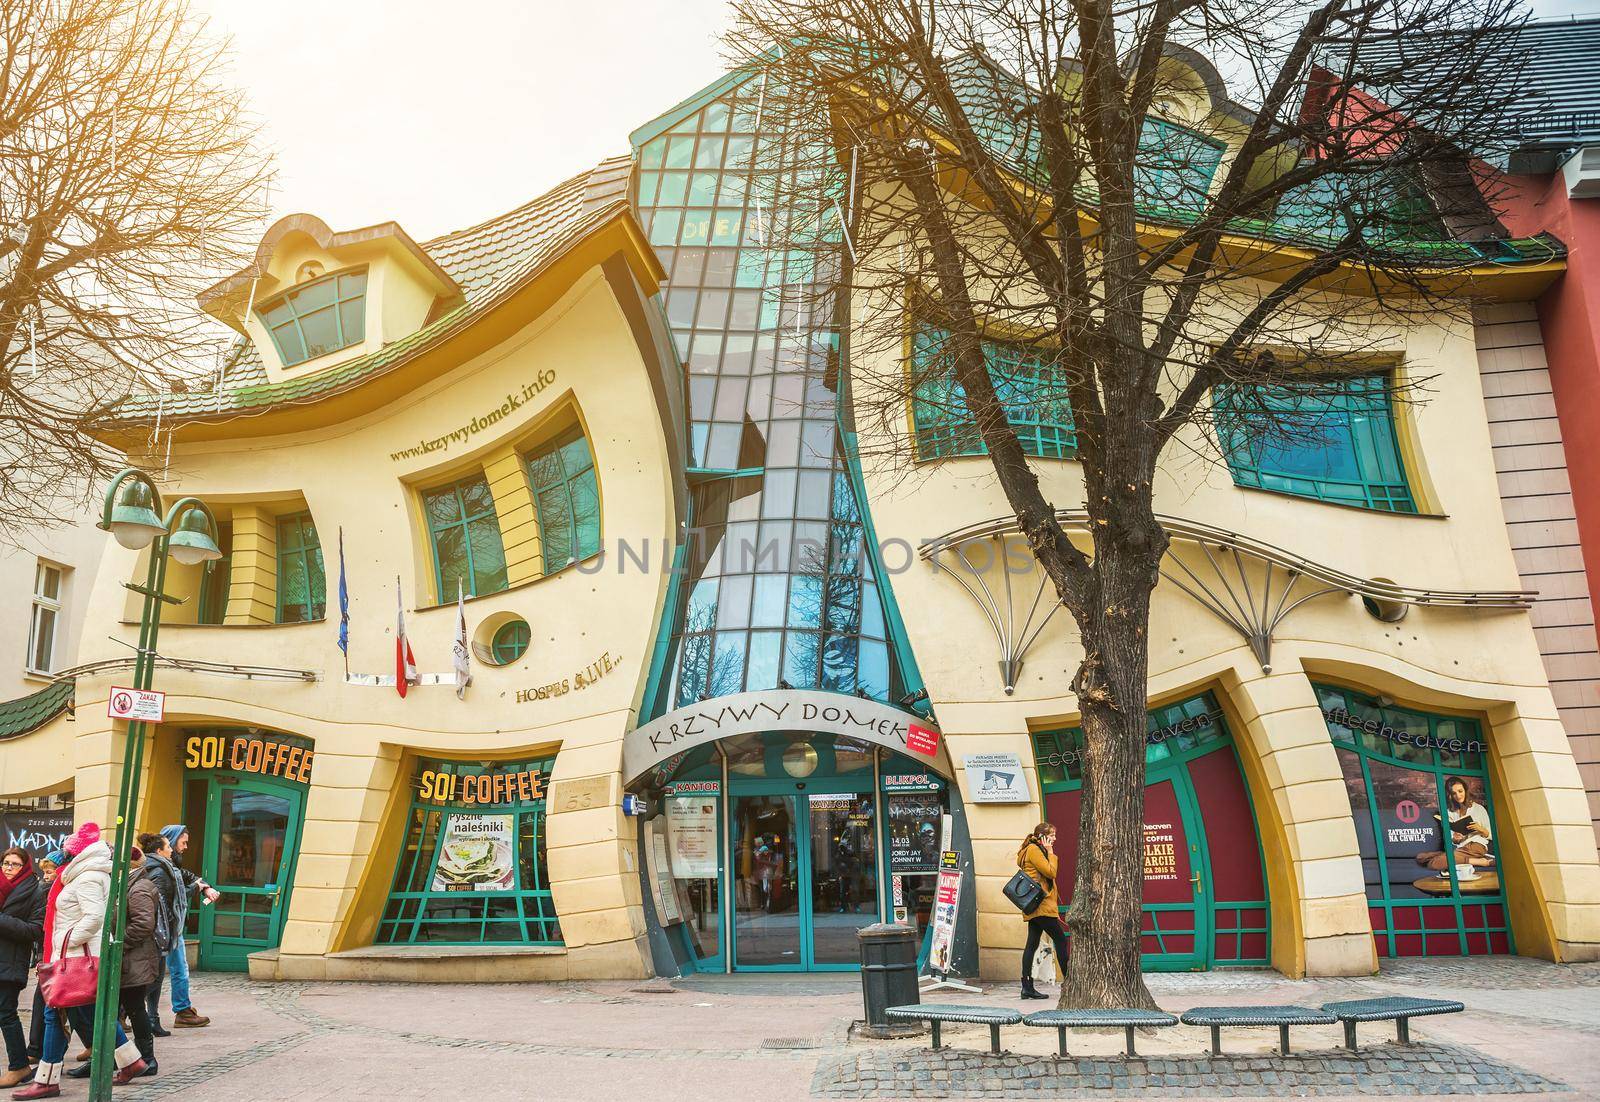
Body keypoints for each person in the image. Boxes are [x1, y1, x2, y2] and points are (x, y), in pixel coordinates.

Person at [16, 823, 146, 1099]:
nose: (64, 857)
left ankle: (47, 1081)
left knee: (54, 1013)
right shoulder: (85, 875)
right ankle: (131, 1060)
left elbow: (93, 918)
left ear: (78, 854)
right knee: (84, 1013)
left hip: (75, 958)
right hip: (78, 956)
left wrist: (64, 943)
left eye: (68, 852)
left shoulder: (86, 877)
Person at [146, 826, 216, 1031]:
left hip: (170, 928)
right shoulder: (161, 869)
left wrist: (205, 886)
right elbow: (164, 901)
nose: (185, 847)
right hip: (166, 930)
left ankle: (171, 1013)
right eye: (182, 842)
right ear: (168, 844)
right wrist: (196, 888)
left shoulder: (171, 865)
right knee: (158, 975)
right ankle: (176, 1012)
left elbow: (188, 877)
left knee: (170, 971)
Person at [0, 849, 44, 1088]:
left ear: (25, 867)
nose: (8, 868)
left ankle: (19, 1066)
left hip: (11, 962)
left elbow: (35, 930)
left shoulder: (34, 891)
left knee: (6, 1013)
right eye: (5, 863)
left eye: (14, 864)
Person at [116, 849, 161, 1079]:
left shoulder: (139, 886)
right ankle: (122, 1059)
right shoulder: (127, 882)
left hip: (135, 959)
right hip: (129, 959)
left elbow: (144, 924)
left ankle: (147, 1059)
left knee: (134, 1007)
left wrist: (118, 942)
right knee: (125, 1008)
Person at [1017, 822, 1068, 1001]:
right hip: (1041, 904)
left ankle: (1027, 987)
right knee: (1061, 940)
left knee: (1032, 943)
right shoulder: (1034, 850)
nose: (1054, 839)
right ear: (1042, 837)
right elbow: (1050, 872)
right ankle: (1069, 982)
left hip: (1034, 903)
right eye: (1051, 835)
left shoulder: (1029, 849)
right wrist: (1051, 853)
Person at [23, 856, 62, 1070]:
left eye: (50, 871)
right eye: (44, 872)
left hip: (55, 956)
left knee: (52, 1005)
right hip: (46, 956)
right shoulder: (44, 891)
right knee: (45, 1003)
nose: (46, 877)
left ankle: (38, 1051)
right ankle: (36, 1049)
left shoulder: (51, 891)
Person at [1415, 776, 1496, 873]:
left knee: (1435, 863)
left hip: (1477, 846)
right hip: (1461, 848)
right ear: (1450, 795)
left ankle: (1482, 862)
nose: (1458, 795)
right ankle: (1460, 858)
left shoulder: (1478, 809)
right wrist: (1455, 838)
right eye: (1454, 793)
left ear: (1465, 791)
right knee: (1421, 857)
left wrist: (1480, 829)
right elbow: (1451, 838)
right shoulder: (1449, 812)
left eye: (1460, 791)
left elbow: (1491, 835)